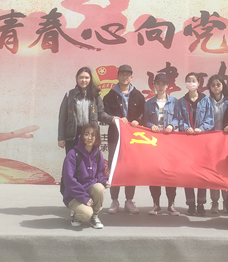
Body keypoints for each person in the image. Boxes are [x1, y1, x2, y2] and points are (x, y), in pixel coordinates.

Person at [102, 63, 146, 215]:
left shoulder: (138, 96)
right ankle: (114, 200)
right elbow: (104, 115)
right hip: (115, 138)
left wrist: (138, 121)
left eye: (128, 74)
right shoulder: (109, 96)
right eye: (122, 74)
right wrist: (116, 118)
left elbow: (144, 114)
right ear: (117, 76)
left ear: (131, 77)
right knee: (115, 166)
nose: (125, 77)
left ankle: (129, 200)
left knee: (130, 168)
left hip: (132, 139)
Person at [176, 72, 214, 216]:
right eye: (188, 80)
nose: (191, 83)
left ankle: (201, 203)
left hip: (202, 141)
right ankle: (191, 203)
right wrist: (186, 127)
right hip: (187, 141)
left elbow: (210, 119)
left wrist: (201, 128)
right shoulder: (181, 101)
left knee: (201, 172)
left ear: (198, 83)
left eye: (193, 80)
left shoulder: (206, 100)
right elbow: (179, 118)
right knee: (188, 173)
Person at [144, 72, 181, 216]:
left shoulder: (174, 102)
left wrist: (172, 125)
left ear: (167, 86)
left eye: (163, 84)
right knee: (154, 173)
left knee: (170, 173)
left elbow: (178, 118)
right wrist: (151, 125)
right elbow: (145, 120)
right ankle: (156, 204)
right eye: (158, 84)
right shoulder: (149, 103)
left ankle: (171, 204)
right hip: (154, 142)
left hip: (169, 142)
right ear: (154, 85)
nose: (160, 87)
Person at [62, 122, 108, 229]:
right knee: (86, 214)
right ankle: (77, 215)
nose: (89, 138)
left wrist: (104, 181)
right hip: (73, 194)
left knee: (100, 188)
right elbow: (69, 180)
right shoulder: (73, 154)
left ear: (97, 138)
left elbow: (100, 172)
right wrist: (84, 197)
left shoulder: (98, 154)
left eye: (93, 135)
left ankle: (95, 216)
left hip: (88, 190)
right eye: (86, 134)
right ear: (82, 136)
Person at [58, 67, 112, 153]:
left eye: (86, 78)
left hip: (90, 135)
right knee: (72, 159)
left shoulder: (95, 96)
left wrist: (112, 119)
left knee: (89, 160)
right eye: (81, 77)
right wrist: (61, 138)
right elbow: (62, 117)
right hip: (73, 135)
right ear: (77, 78)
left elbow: (101, 113)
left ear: (90, 79)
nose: (84, 80)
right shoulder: (69, 95)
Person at [207, 74, 228, 214]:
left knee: (225, 172)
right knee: (213, 172)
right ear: (209, 87)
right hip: (211, 142)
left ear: (223, 86)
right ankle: (214, 202)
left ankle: (226, 202)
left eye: (218, 84)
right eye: (213, 85)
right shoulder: (205, 102)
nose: (216, 87)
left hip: (225, 142)